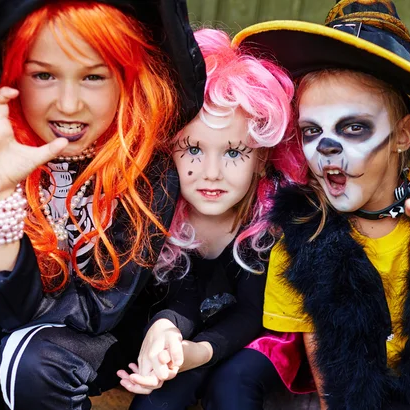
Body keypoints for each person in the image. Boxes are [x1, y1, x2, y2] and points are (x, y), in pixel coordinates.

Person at [225, 1, 410, 409]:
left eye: (353, 127)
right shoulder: (303, 234)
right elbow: (328, 366)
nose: (327, 151)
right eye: (313, 130)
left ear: (402, 134)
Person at [0, 0, 206, 408]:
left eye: (93, 76)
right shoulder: (1, 151)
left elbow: (99, 311)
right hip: (27, 307)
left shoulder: (149, 171)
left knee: (34, 360)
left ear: (126, 79)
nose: (69, 104)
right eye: (44, 74)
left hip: (106, 332)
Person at [116, 28, 295, 410]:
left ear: (262, 158)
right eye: (193, 149)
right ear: (168, 149)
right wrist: (166, 330)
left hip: (252, 342)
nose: (211, 172)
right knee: (158, 399)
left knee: (231, 390)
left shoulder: (270, 224)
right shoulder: (158, 210)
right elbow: (177, 295)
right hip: (179, 340)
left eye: (233, 153)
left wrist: (197, 351)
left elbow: (251, 312)